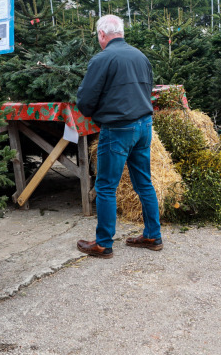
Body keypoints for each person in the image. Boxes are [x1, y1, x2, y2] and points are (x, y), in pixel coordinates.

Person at [75, 15, 162, 258]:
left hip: (118, 128)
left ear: (102, 35)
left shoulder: (103, 58)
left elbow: (85, 100)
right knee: (144, 182)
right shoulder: (140, 56)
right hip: (144, 125)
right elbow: (148, 89)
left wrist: (94, 116)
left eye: (98, 36)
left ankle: (103, 244)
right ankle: (153, 235)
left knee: (105, 186)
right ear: (121, 32)